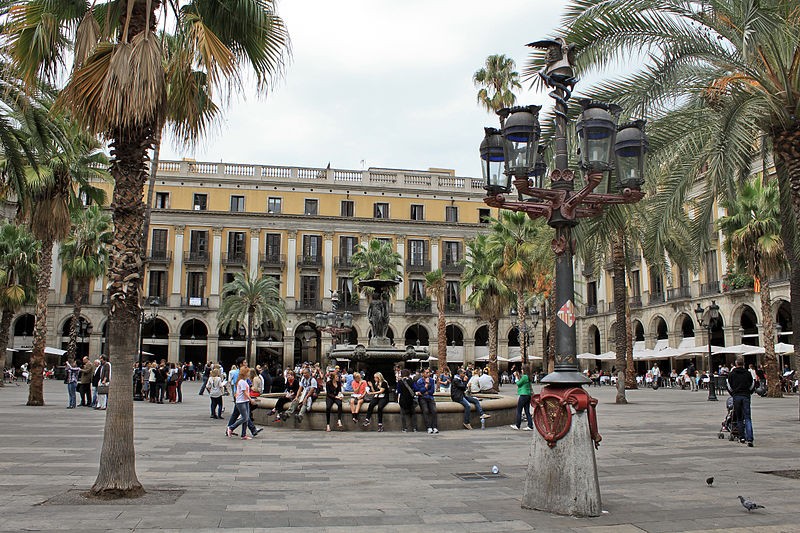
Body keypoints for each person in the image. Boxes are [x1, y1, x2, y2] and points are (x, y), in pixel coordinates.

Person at [727, 356, 755, 447]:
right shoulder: (748, 373)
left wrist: (733, 394)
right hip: (746, 396)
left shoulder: (732, 374)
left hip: (736, 396)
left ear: (736, 364)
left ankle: (742, 437)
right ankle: (750, 438)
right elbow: (752, 384)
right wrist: (749, 392)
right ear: (743, 364)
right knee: (747, 417)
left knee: (739, 418)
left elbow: (729, 386)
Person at [226, 370, 260, 440]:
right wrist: (251, 400)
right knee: (244, 418)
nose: (249, 374)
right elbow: (245, 392)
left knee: (246, 418)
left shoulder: (244, 381)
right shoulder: (242, 382)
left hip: (245, 401)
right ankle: (231, 427)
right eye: (248, 372)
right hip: (241, 401)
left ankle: (243, 434)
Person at [414, 368, 439, 434]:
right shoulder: (419, 381)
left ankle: (435, 427)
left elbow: (432, 391)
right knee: (425, 411)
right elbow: (421, 391)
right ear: (422, 374)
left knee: (434, 410)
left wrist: (425, 391)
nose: (428, 374)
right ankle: (429, 427)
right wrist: (427, 385)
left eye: (429, 372)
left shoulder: (432, 380)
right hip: (422, 398)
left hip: (430, 398)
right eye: (426, 373)